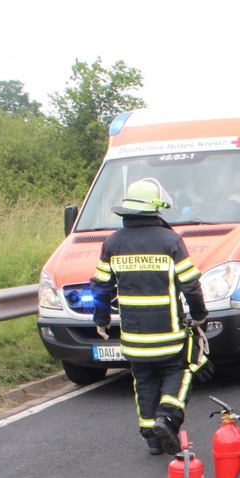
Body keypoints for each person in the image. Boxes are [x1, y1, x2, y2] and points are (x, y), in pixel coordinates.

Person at [92, 179, 209, 455]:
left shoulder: (112, 242)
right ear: (155, 209)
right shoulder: (170, 241)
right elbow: (190, 284)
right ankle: (166, 419)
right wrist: (200, 314)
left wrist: (101, 319)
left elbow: (100, 286)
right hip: (168, 335)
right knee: (180, 372)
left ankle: (152, 438)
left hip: (133, 337)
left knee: (143, 381)